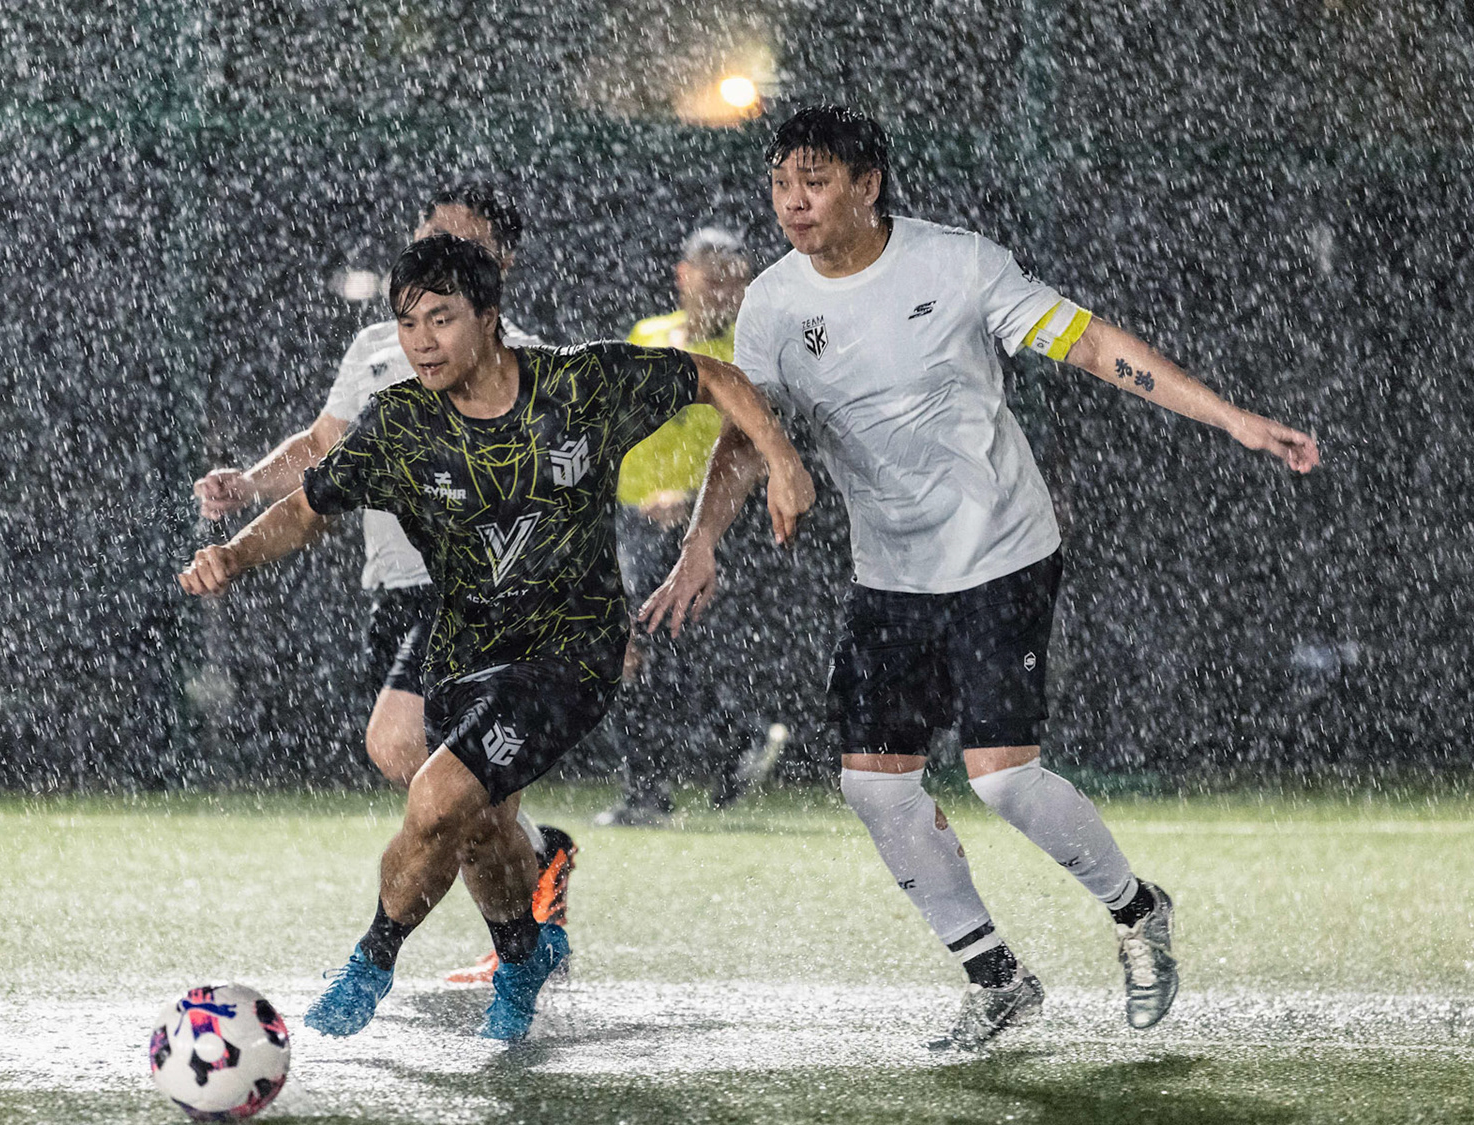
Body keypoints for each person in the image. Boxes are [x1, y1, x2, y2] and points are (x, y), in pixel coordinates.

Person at [646, 105, 1319, 1052]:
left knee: (1002, 783)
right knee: (876, 789)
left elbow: (1088, 343)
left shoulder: (956, 262)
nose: (793, 203)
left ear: (868, 184)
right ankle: (996, 977)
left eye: (816, 181)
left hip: (1001, 550)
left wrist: (1233, 420)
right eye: (780, 184)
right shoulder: (772, 303)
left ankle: (1136, 912)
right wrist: (704, 541)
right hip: (890, 575)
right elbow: (746, 433)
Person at [179, 234, 815, 1041]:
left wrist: (782, 463)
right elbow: (308, 507)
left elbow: (716, 378)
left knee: (441, 796)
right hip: (462, 653)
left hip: (569, 655)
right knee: (479, 818)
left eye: (441, 320)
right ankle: (523, 955)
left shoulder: (578, 384)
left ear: (490, 317)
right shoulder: (402, 422)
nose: (421, 342)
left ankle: (371, 962)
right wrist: (233, 555)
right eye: (408, 323)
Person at [191, 184, 575, 982]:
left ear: (500, 266)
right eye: (427, 236)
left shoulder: (528, 364)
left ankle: (470, 937)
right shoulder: (376, 344)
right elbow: (326, 449)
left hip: (481, 596)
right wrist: (253, 486)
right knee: (463, 793)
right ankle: (534, 885)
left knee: (410, 753)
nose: (435, 257)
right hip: (396, 592)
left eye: (459, 245)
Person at [595, 226, 789, 827]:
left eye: (736, 278)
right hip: (630, 520)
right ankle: (719, 750)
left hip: (701, 524)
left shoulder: (745, 351)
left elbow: (754, 442)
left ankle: (702, 760)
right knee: (633, 648)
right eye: (713, 275)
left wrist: (688, 499)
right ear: (685, 277)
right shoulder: (647, 336)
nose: (725, 289)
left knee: (656, 646)